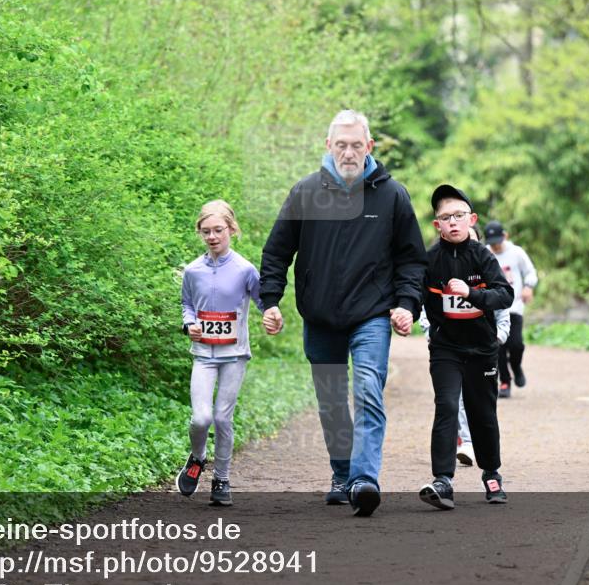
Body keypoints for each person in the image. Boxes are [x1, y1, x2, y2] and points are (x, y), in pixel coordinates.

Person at [260, 109, 427, 517]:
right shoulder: (305, 192)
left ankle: (365, 479)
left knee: (368, 388)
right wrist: (270, 301)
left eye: (356, 145)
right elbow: (277, 251)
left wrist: (406, 304)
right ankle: (342, 474)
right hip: (320, 317)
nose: (348, 152)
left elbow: (411, 260)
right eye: (341, 145)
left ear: (369, 147)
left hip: (371, 315)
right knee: (331, 399)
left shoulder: (392, 196)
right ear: (328, 146)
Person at [419, 184, 513, 510]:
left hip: (482, 349)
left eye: (459, 215)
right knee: (446, 406)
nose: (453, 222)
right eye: (445, 218)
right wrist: (403, 311)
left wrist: (472, 294)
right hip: (445, 348)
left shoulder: (484, 257)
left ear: (471, 219)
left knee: (482, 413)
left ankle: (492, 474)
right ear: (437, 225)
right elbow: (415, 295)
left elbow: (505, 296)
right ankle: (443, 481)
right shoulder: (429, 260)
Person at [177, 200, 264, 507]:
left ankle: (222, 479)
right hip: (203, 354)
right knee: (201, 418)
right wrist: (190, 324)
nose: (212, 237)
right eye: (206, 231)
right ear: (200, 233)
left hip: (235, 355)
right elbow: (187, 305)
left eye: (218, 230)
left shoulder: (245, 270)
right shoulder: (193, 270)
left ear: (231, 229)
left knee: (222, 419)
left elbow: (263, 301)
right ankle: (198, 458)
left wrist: (272, 314)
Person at [484, 221, 538, 399]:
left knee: (516, 344)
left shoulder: (516, 253)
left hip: (514, 306)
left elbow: (530, 272)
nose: (495, 246)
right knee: (498, 345)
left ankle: (516, 366)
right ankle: (505, 382)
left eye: (498, 242)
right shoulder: (484, 253)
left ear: (505, 236)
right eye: (492, 243)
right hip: (493, 308)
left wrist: (528, 287)